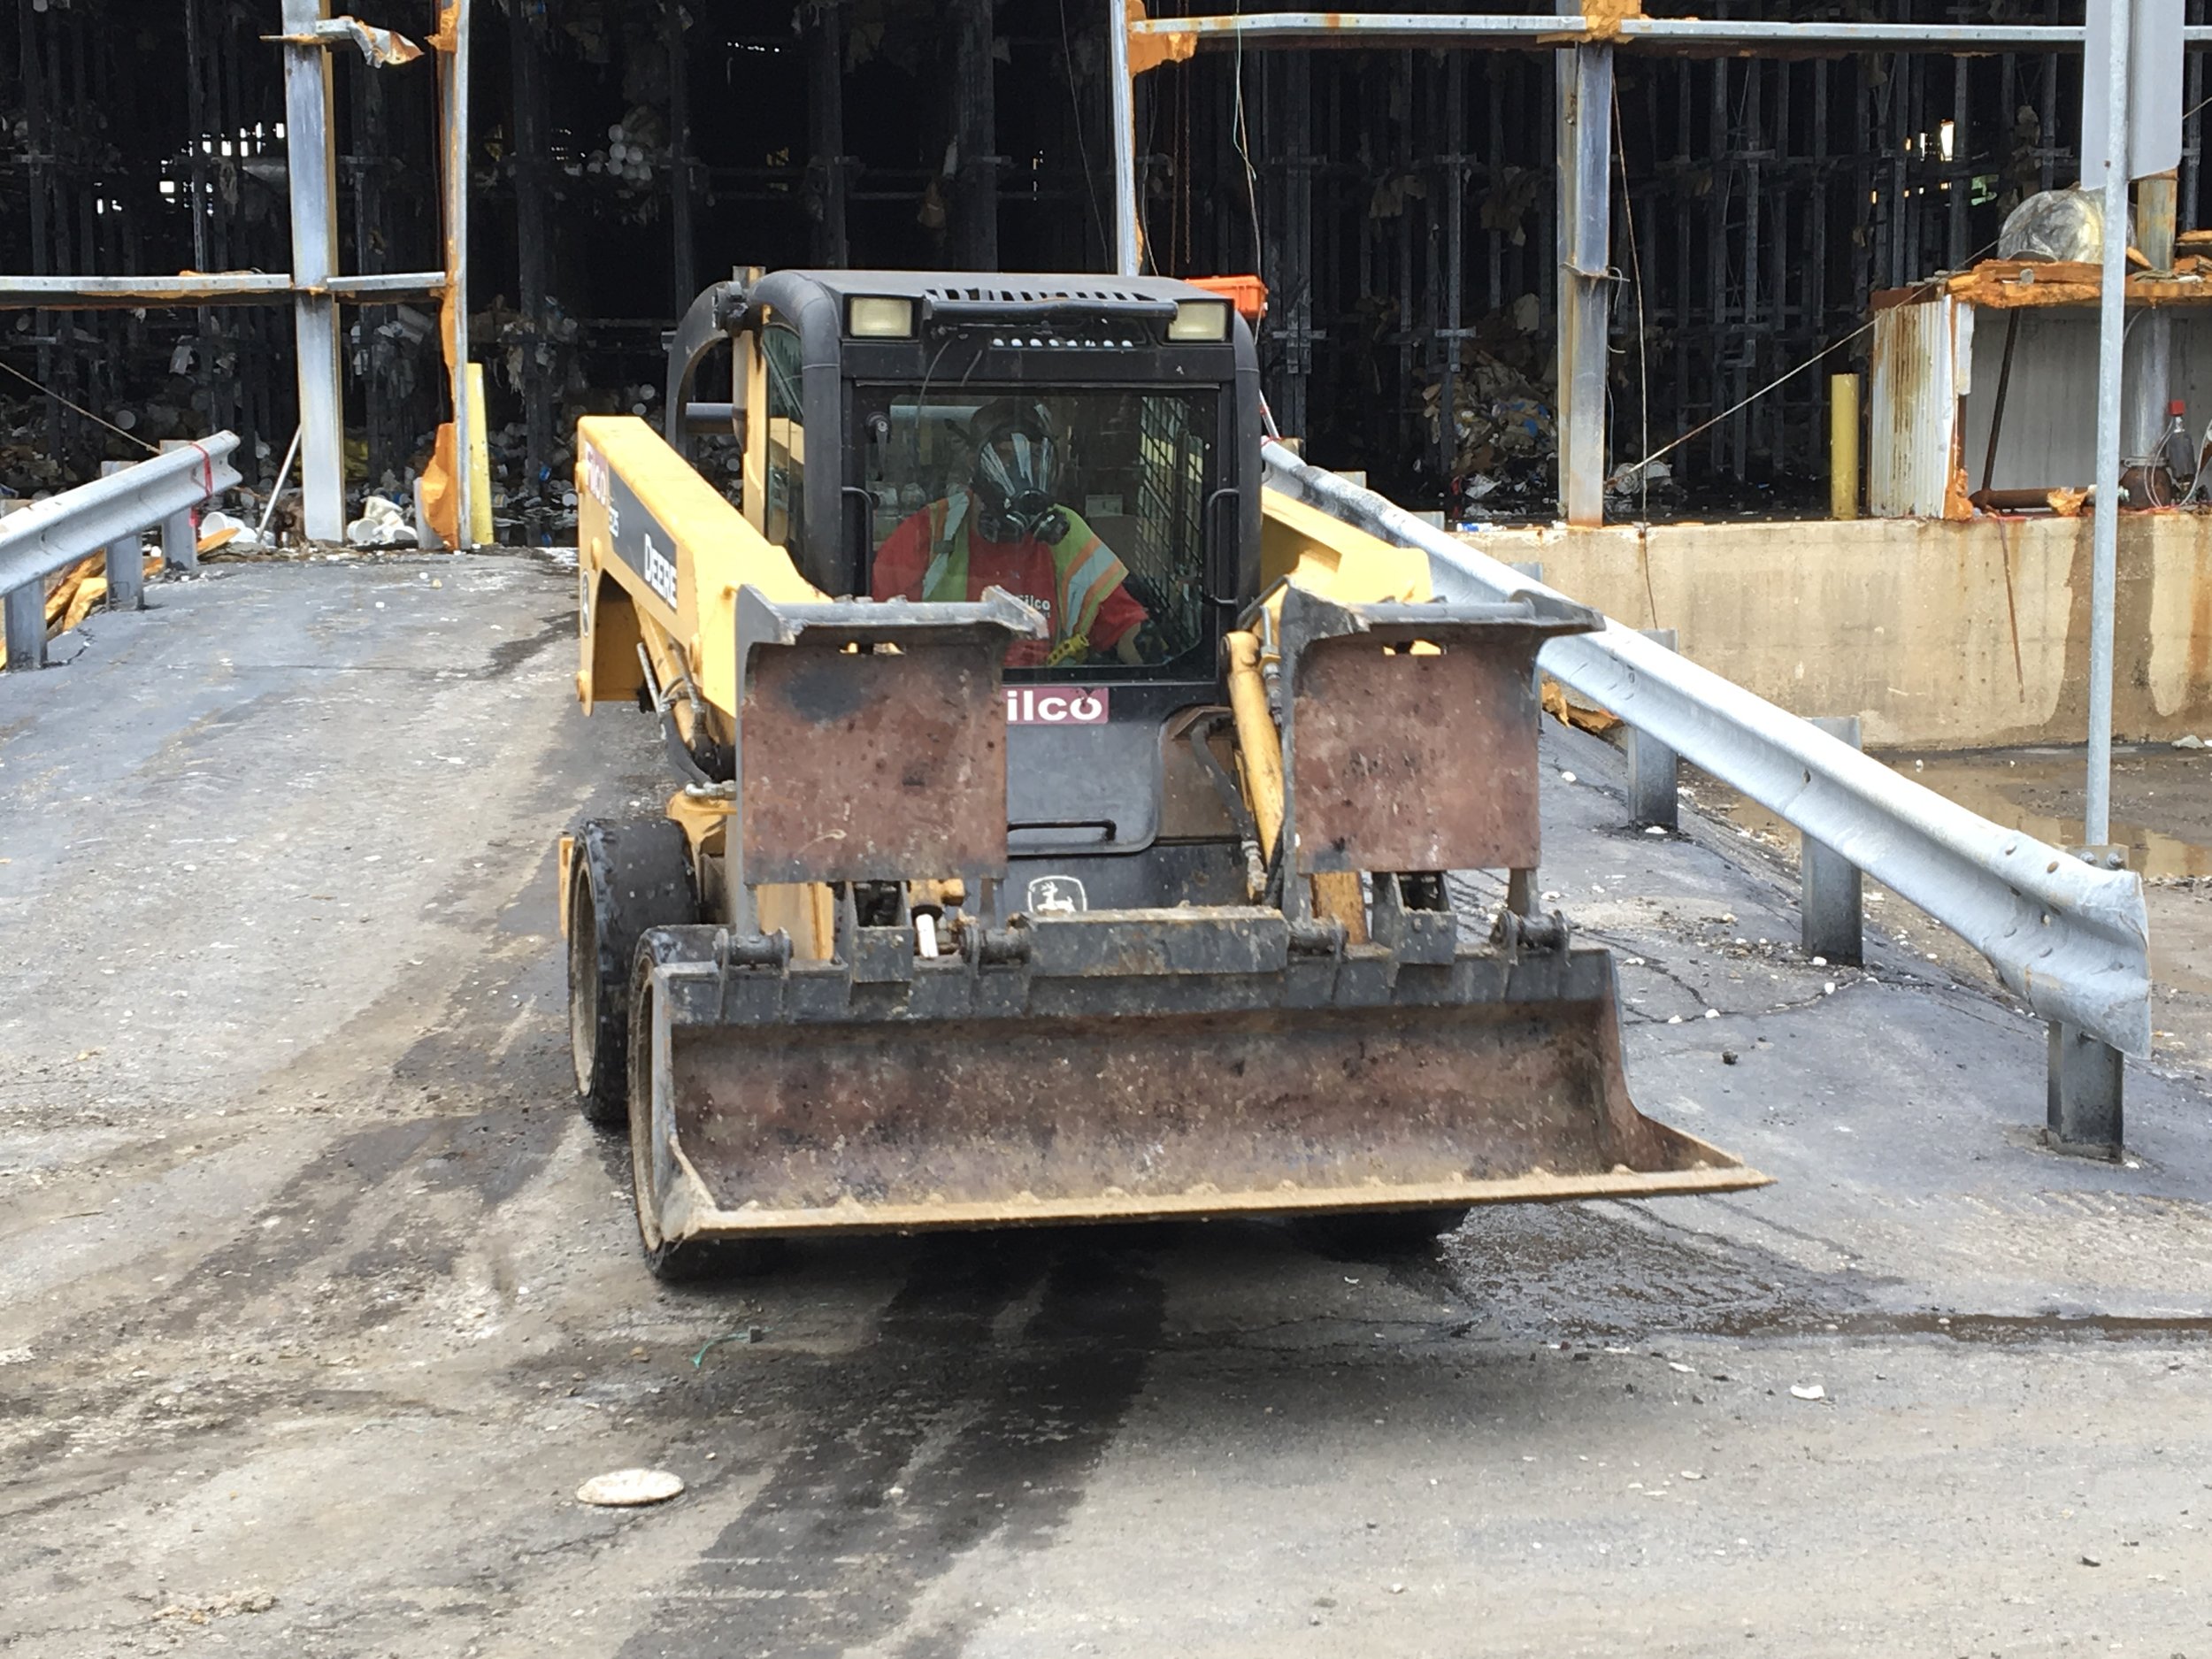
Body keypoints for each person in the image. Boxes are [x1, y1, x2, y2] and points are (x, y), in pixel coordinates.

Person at [870, 399, 1148, 667]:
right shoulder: (928, 532)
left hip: (1054, 706)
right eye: (1004, 455)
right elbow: (881, 638)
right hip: (952, 703)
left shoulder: (1068, 533)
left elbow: (1124, 627)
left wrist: (1153, 654)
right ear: (973, 462)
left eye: (1035, 456)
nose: (1021, 470)